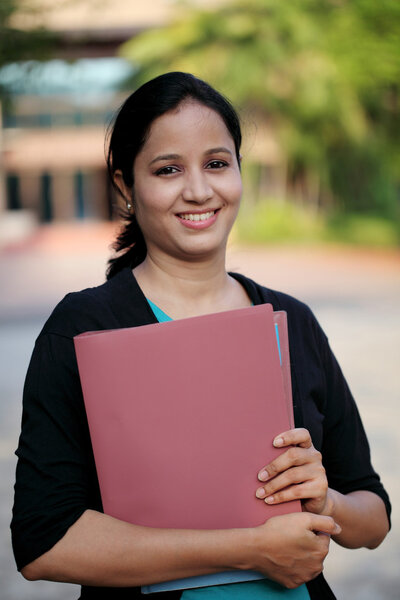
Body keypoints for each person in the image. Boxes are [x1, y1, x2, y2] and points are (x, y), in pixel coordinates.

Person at [11, 72, 390, 600]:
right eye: (168, 169)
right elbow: (42, 544)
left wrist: (325, 503)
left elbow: (373, 517)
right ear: (125, 184)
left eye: (217, 163)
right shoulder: (82, 329)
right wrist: (248, 550)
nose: (198, 190)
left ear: (238, 170)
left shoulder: (293, 321)